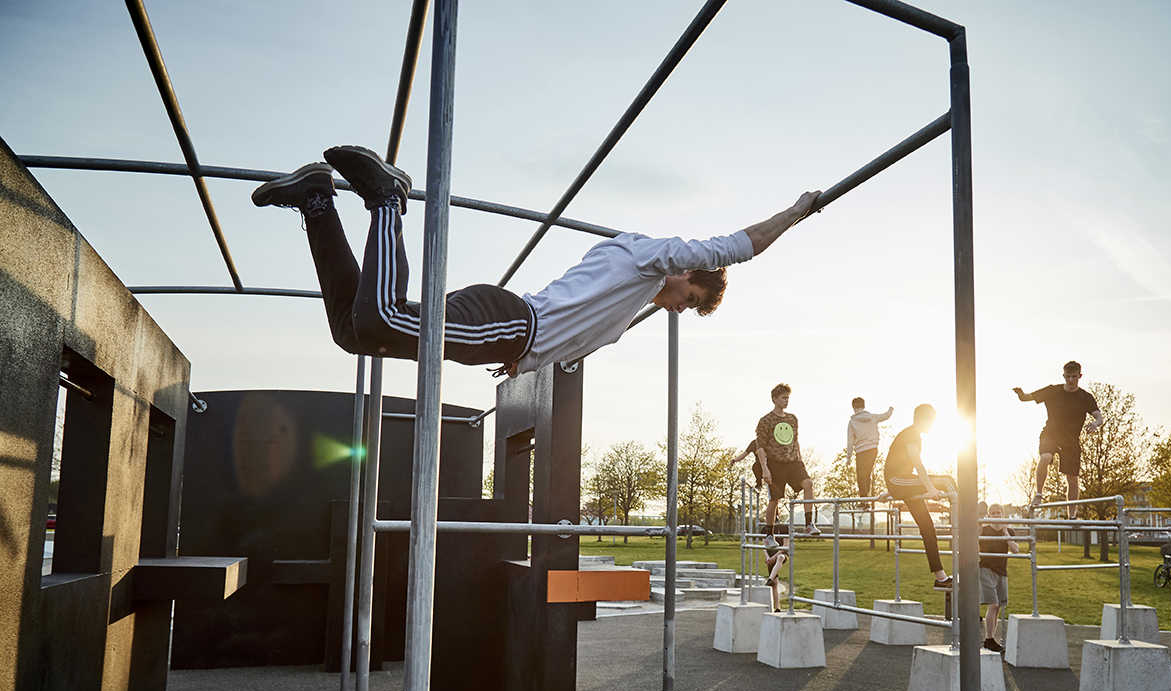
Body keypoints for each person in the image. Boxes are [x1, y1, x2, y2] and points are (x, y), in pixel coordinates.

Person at [252, 145, 821, 375]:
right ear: (684, 272)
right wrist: (795, 213)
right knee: (384, 320)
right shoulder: (651, 256)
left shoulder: (629, 296)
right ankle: (387, 199)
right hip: (508, 322)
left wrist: (522, 366)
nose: (677, 309)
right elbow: (732, 248)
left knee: (354, 332)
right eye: (689, 299)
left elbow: (577, 337)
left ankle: (318, 201)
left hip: (505, 335)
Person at [1013, 361, 1104, 514]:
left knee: (1072, 478)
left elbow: (1099, 417)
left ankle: (1072, 515)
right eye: (1067, 377)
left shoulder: (1085, 397)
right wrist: (1020, 394)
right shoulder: (1052, 391)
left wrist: (1095, 424)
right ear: (1063, 375)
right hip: (1050, 434)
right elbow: (1027, 398)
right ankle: (1039, 494)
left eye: (1074, 377)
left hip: (1071, 440)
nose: (1070, 380)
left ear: (1080, 376)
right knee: (1045, 457)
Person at [883, 404, 955, 590]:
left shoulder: (912, 434)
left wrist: (892, 491)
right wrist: (930, 488)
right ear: (924, 419)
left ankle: (940, 577)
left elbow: (902, 463)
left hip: (902, 483)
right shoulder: (912, 434)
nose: (933, 425)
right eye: (932, 421)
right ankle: (967, 524)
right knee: (946, 481)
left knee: (927, 527)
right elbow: (917, 463)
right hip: (899, 481)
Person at [755, 383, 820, 546]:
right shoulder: (765, 420)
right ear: (774, 399)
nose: (786, 401)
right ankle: (769, 535)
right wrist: (765, 469)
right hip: (775, 464)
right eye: (783, 398)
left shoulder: (792, 419)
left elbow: (795, 441)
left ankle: (808, 524)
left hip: (793, 462)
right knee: (774, 500)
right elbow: (760, 447)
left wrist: (801, 460)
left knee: (808, 484)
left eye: (788, 398)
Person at [978, 501, 1017, 652]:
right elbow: (972, 540)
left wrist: (1006, 534)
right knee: (993, 604)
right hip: (985, 569)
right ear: (988, 515)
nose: (996, 515)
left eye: (998, 512)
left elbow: (1016, 550)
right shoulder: (983, 529)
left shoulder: (1008, 531)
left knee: (998, 606)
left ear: (1002, 514)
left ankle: (991, 639)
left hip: (1002, 571)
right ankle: (988, 638)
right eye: (993, 513)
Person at [846, 396, 893, 497]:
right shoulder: (872, 417)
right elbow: (886, 416)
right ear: (864, 406)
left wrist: (848, 457)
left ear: (853, 407)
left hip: (860, 451)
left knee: (861, 476)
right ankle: (867, 497)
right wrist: (891, 408)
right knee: (867, 474)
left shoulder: (852, 422)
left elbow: (850, 441)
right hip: (872, 449)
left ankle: (864, 499)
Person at [760, 527, 789, 611]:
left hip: (781, 553)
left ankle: (770, 579)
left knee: (780, 557)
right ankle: (777, 607)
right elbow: (764, 546)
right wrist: (768, 558)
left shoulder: (784, 528)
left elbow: (785, 546)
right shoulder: (766, 529)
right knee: (774, 584)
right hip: (770, 557)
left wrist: (774, 557)